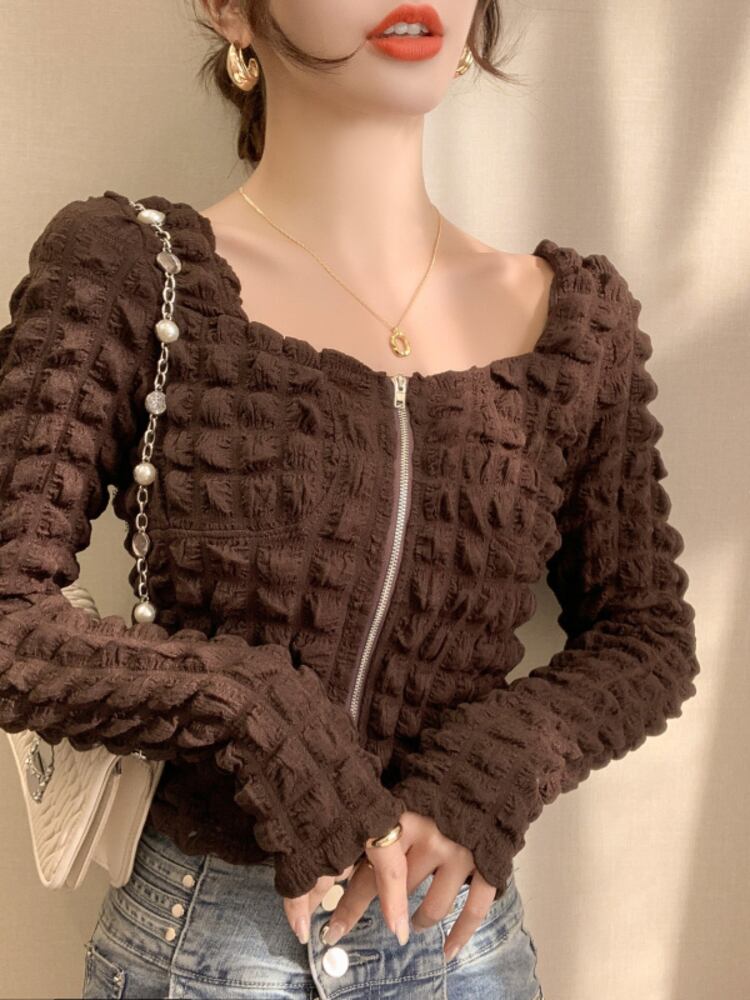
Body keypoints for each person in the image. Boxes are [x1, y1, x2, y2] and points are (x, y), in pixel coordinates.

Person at [0, 2, 699, 997]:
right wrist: (250, 711)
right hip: (205, 953)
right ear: (230, 10)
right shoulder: (131, 275)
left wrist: (492, 771)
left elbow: (646, 631)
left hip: (463, 955)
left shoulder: (575, 326)